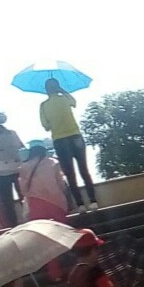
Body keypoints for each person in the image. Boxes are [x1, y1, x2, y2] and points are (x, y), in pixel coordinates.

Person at [39, 79, 98, 213]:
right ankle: (93, 201)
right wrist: (63, 91)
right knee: (84, 170)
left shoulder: (43, 105)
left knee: (70, 174)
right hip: (75, 136)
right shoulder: (65, 99)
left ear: (46, 90)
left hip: (60, 139)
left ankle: (80, 205)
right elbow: (74, 103)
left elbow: (46, 126)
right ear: (57, 87)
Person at [18, 142, 71, 223]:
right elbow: (61, 183)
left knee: (41, 225)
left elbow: (23, 189)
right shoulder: (53, 162)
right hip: (56, 199)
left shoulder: (24, 166)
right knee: (61, 225)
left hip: (35, 201)